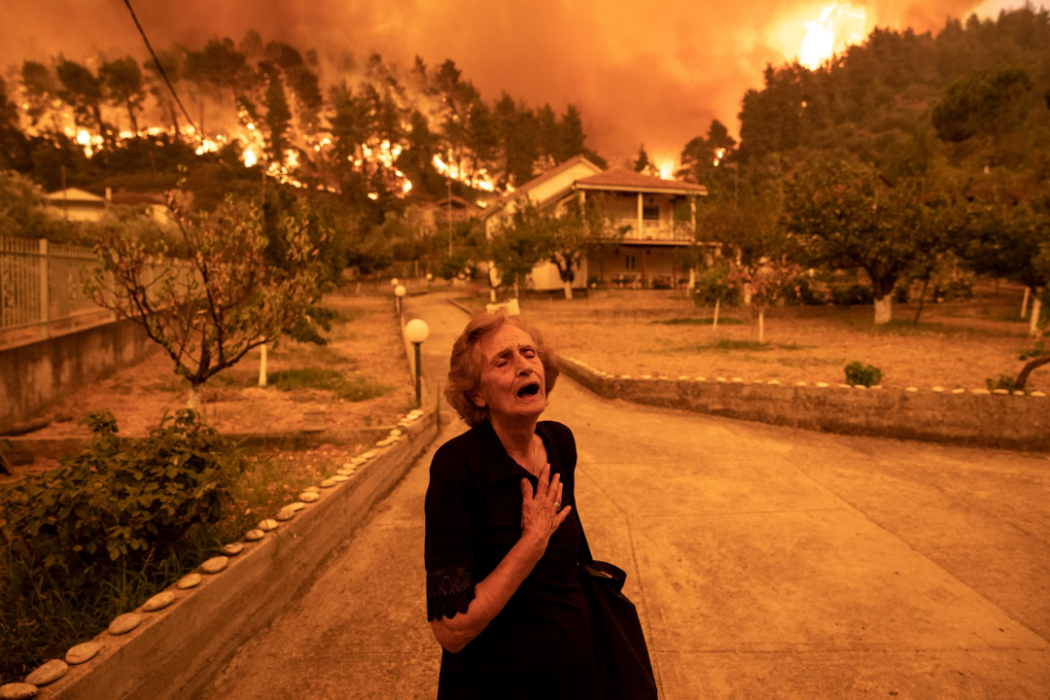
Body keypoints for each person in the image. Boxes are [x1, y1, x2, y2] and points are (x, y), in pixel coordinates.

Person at [424, 310, 601, 699]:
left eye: (528, 353)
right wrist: (530, 545)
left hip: (578, 671)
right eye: (503, 360)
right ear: (476, 393)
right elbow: (451, 630)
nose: (523, 366)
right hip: (500, 682)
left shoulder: (559, 442)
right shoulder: (457, 467)